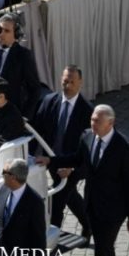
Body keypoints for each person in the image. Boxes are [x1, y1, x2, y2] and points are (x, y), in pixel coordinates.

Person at [37, 105, 129, 256]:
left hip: (113, 210)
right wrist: (52, 161)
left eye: (97, 121)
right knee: (105, 247)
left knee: (101, 251)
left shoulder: (125, 148)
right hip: (92, 204)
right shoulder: (87, 136)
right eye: (92, 119)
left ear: (110, 123)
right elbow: (77, 159)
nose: (93, 123)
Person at [32, 65, 93, 238]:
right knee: (70, 194)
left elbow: (88, 148)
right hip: (52, 159)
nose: (68, 85)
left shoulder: (87, 111)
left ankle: (51, 243)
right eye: (65, 81)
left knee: (57, 200)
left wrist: (72, 168)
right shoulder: (49, 101)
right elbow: (37, 130)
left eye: (72, 82)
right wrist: (32, 155)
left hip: (72, 165)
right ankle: (88, 224)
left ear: (80, 83)